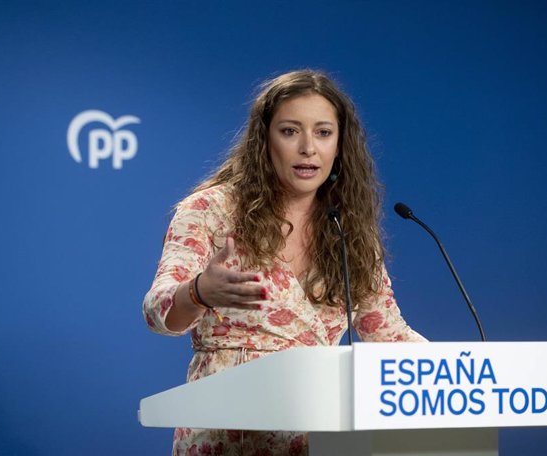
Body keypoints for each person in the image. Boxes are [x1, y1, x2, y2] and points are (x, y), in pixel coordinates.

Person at [143, 69, 427, 456]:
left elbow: (388, 334)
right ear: (265, 140)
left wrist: (470, 373)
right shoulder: (210, 210)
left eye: (323, 132)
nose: (308, 148)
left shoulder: (348, 229)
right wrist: (198, 292)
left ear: (340, 145)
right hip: (228, 435)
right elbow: (158, 312)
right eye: (290, 131)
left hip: (322, 435)